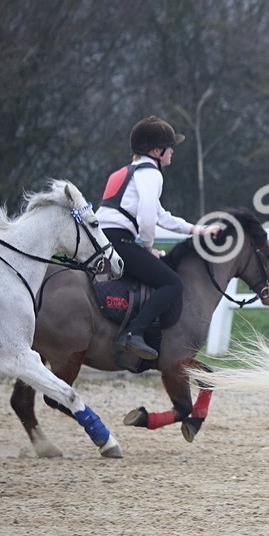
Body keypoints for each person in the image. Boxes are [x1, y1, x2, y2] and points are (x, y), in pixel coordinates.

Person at [96, 116, 220, 360]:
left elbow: (162, 216)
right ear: (156, 151)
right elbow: (148, 216)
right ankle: (134, 333)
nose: (172, 151)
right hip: (120, 240)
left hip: (102, 237)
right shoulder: (152, 174)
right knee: (172, 283)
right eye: (169, 146)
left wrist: (198, 230)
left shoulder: (126, 172)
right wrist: (147, 246)